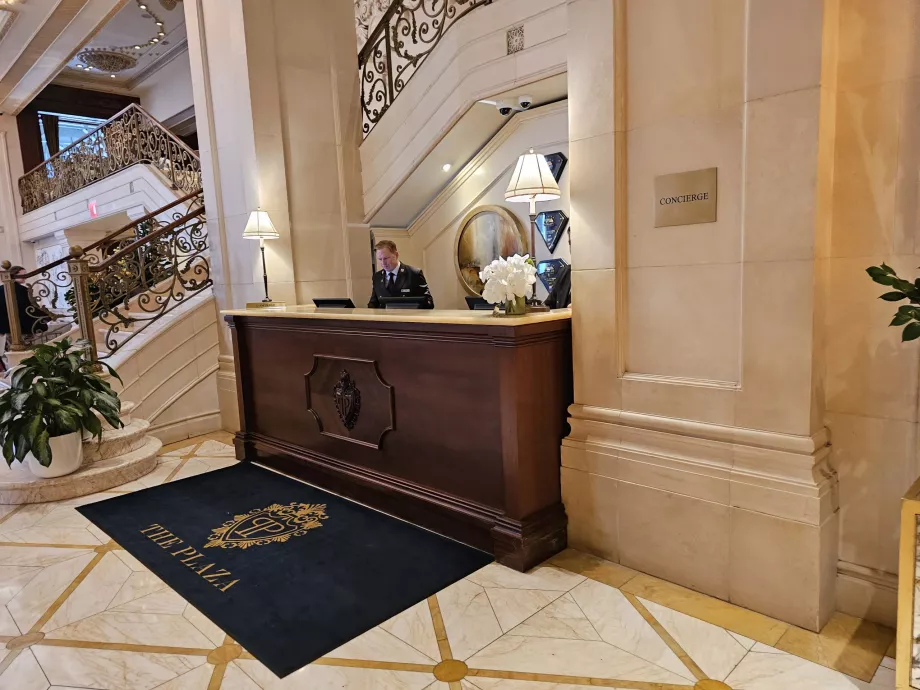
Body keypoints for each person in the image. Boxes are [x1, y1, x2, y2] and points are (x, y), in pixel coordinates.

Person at [368, 240, 434, 309]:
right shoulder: (377, 277)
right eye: (380, 259)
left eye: (386, 258)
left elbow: (429, 303)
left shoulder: (414, 274)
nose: (383, 263)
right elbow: (373, 303)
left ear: (396, 255)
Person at [544, 231, 572, 309]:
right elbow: (548, 305)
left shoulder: (597, 275)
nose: (573, 248)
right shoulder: (564, 272)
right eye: (570, 243)